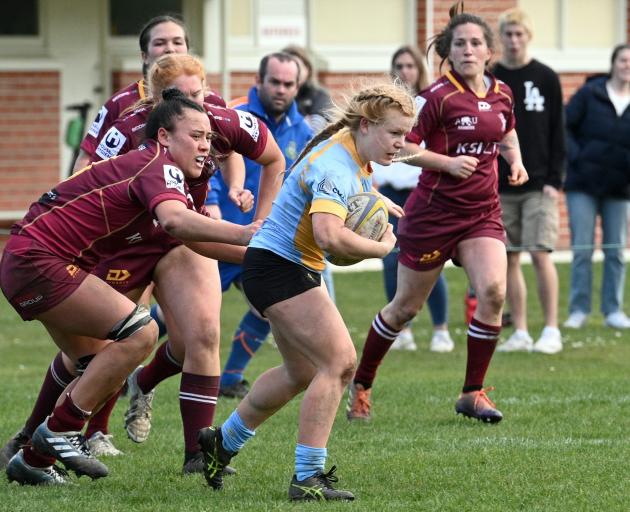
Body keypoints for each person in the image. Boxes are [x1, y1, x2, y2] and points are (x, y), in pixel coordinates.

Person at [0, 90, 258, 485]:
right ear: (164, 138)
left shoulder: (167, 177)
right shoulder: (159, 165)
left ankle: (32, 460)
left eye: (209, 137)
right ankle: (59, 432)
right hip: (38, 261)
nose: (206, 145)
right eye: (196, 135)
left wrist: (269, 253)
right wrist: (245, 232)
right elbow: (175, 223)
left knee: (98, 362)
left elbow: (192, 238)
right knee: (143, 332)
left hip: (33, 260)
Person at [196, 80, 415, 501]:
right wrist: (382, 247)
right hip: (280, 268)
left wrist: (374, 198)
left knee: (301, 372)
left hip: (282, 266)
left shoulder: (352, 149)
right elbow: (330, 236)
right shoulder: (335, 163)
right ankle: (307, 476)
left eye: (405, 135)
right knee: (339, 362)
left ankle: (221, 443)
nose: (401, 144)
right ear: (367, 126)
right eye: (395, 134)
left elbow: (348, 188)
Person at [347, 2, 528, 424]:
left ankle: (472, 392)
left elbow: (507, 130)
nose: (468, 50)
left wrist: (514, 160)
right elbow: (401, 147)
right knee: (405, 308)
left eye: (476, 43)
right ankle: (362, 383)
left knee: (494, 294)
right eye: (460, 43)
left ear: (489, 51)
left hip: (482, 213)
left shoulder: (502, 92)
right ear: (449, 49)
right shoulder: (436, 97)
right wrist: (445, 163)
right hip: (433, 215)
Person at [208, 52, 314, 399]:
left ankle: (230, 378)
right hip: (218, 232)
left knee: (265, 308)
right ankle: (128, 364)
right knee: (187, 312)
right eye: (275, 82)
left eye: (289, 84)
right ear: (259, 81)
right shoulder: (234, 114)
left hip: (265, 238)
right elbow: (206, 160)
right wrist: (210, 203)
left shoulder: (304, 130)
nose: (281, 90)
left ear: (298, 87)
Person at [492, 8, 565, 355]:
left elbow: (557, 131)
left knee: (540, 253)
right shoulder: (492, 78)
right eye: (508, 34)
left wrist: (555, 179)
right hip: (499, 187)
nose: (513, 40)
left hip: (539, 185)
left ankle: (551, 329)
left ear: (528, 36)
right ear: (501, 37)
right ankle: (519, 329)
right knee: (508, 258)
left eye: (519, 34)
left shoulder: (546, 77)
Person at [372, 44, 454, 353]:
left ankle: (440, 328)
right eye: (399, 66)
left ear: (419, 68)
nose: (404, 71)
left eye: (410, 65)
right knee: (391, 259)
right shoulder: (383, 108)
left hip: (422, 191)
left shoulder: (430, 103)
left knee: (429, 259)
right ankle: (399, 330)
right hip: (391, 192)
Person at [563, 44, 630, 330]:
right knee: (582, 250)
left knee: (615, 250)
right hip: (582, 185)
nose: (627, 65)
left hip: (620, 187)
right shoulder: (591, 94)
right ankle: (579, 310)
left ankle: (613, 310)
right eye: (623, 60)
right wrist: (578, 157)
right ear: (613, 63)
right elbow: (564, 126)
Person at [282, 45, 337, 301]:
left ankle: (328, 309)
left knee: (316, 254)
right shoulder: (279, 98)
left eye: (298, 63)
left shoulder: (318, 96)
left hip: (314, 184)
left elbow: (317, 133)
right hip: (284, 185)